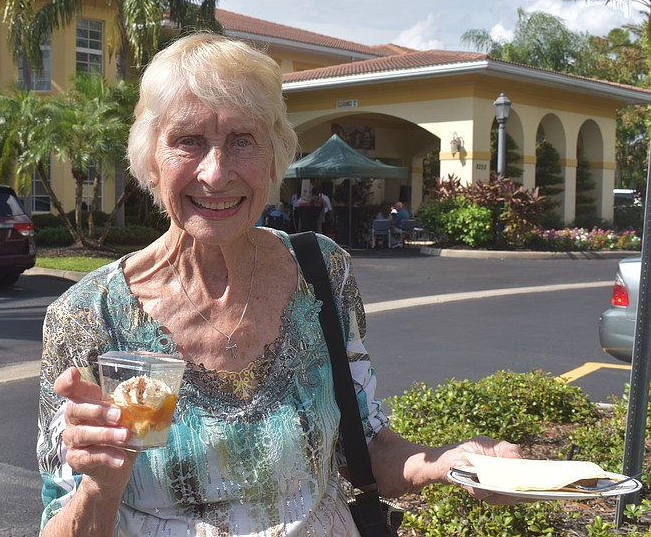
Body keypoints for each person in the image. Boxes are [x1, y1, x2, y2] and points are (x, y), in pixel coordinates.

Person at [37, 32, 522, 537]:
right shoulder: (86, 315)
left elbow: (366, 445)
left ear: (274, 156)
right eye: (188, 140)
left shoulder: (321, 271)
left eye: (242, 140)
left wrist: (444, 462)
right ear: (150, 158)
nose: (216, 172)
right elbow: (59, 522)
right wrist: (99, 488)